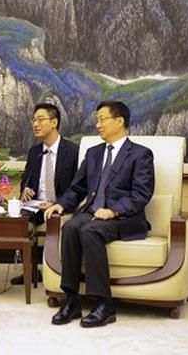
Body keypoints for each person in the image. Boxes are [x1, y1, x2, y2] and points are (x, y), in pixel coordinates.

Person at [42, 101, 154, 328]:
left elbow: (142, 194)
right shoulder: (93, 153)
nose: (98, 124)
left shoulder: (140, 154)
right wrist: (61, 205)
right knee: (71, 227)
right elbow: (77, 188)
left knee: (90, 231)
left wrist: (113, 210)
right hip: (93, 211)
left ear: (119, 121)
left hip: (126, 218)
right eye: (97, 119)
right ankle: (71, 299)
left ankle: (104, 304)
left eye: (102, 119)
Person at [11, 103, 79, 285]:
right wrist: (25, 191)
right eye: (33, 120)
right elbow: (27, 180)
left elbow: (78, 187)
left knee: (59, 221)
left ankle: (58, 271)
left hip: (60, 206)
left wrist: (58, 203)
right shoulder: (34, 152)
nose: (35, 124)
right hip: (36, 206)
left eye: (40, 119)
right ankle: (30, 271)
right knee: (16, 220)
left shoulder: (73, 152)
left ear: (54, 122)